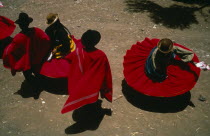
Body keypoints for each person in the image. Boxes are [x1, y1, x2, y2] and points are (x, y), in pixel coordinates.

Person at [123, 37, 201, 97]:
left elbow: (184, 52)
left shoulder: (161, 51)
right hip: (158, 66)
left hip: (159, 63)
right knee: (160, 78)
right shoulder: (160, 58)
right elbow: (159, 67)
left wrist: (185, 60)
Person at [61, 30, 113, 114]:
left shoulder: (78, 51)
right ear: (96, 42)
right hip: (92, 85)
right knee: (91, 99)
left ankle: (83, 108)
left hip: (78, 81)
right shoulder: (100, 55)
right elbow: (104, 71)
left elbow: (68, 58)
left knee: (82, 98)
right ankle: (91, 112)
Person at [2, 12, 50, 83]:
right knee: (38, 73)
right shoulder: (36, 30)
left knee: (28, 76)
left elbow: (13, 51)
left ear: (20, 25)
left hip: (26, 62)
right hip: (36, 58)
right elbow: (46, 40)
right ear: (28, 23)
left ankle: (33, 85)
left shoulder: (18, 38)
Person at [38, 13, 76, 78]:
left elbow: (66, 46)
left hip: (62, 47)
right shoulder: (48, 30)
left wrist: (57, 49)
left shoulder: (62, 32)